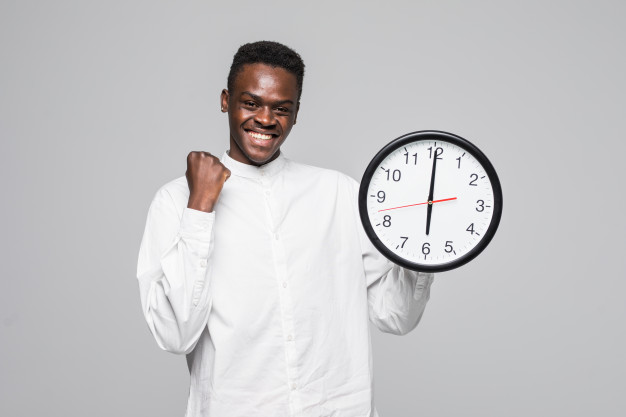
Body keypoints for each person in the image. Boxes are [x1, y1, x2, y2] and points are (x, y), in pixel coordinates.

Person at [136, 40, 434, 417]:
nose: (265, 119)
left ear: (295, 114)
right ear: (226, 100)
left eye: (281, 108)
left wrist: (427, 252)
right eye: (251, 103)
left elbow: (396, 316)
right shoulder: (176, 202)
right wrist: (201, 208)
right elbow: (174, 334)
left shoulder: (341, 194)